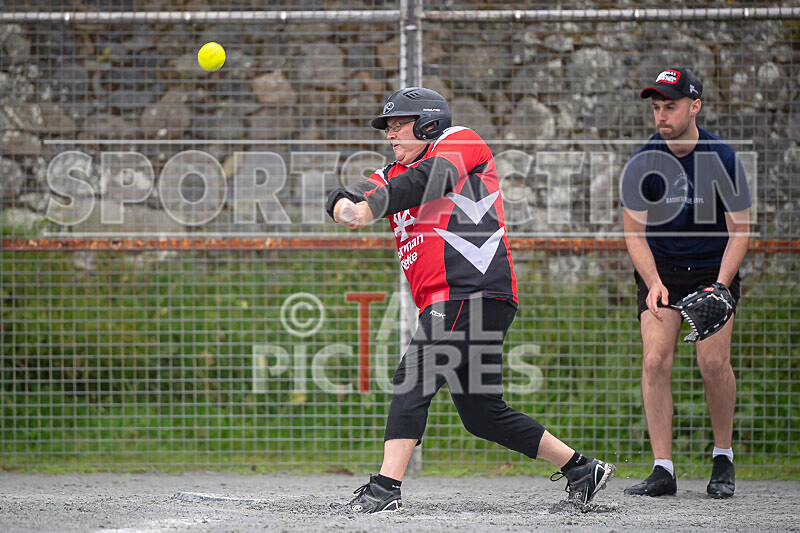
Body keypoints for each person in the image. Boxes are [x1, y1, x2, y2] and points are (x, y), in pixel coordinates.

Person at [326, 87, 615, 513]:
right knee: (481, 414)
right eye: (387, 127)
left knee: (414, 377)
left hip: (468, 289)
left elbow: (431, 180)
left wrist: (372, 206)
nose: (391, 135)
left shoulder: (460, 141)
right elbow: (349, 194)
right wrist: (345, 206)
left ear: (428, 124)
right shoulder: (392, 174)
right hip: (461, 300)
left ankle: (385, 488)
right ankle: (582, 468)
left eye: (399, 125)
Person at [620, 69, 751, 498]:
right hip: (664, 272)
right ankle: (663, 470)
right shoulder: (642, 162)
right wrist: (653, 281)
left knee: (713, 364)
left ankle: (723, 459)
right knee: (655, 361)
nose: (662, 115)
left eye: (670, 106)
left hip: (713, 269)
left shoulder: (723, 157)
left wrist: (722, 285)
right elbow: (633, 233)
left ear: (694, 106)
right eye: (656, 107)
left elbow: (741, 230)